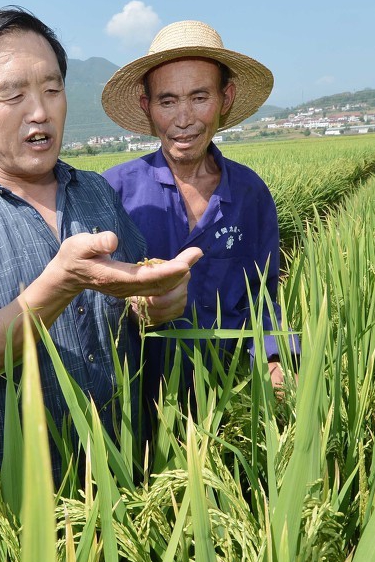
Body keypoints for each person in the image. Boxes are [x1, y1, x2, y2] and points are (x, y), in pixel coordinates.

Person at [0, 7, 201, 477]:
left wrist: (159, 301)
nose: (39, 111)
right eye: (13, 94)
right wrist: (59, 284)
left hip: (132, 471)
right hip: (30, 506)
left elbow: (136, 306)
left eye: (52, 89)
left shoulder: (97, 192)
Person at [100, 20, 295, 396]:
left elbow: (262, 299)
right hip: (134, 404)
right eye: (168, 100)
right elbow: (87, 298)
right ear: (148, 107)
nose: (184, 118)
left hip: (228, 395)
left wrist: (275, 362)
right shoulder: (113, 191)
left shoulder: (251, 194)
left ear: (226, 99)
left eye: (200, 97)